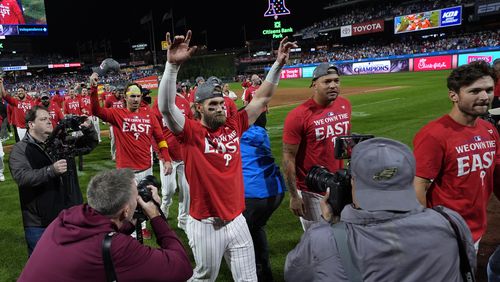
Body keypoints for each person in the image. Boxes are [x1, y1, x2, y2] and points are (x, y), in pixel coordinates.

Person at [158, 30, 296, 281]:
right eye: (213, 105)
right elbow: (166, 108)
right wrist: (171, 66)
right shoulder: (190, 132)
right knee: (204, 278)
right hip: (206, 225)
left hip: (237, 220)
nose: (220, 108)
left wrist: (277, 64)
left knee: (248, 278)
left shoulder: (235, 124)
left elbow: (263, 96)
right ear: (198, 108)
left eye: (221, 104)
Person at [284, 137, 477, 281]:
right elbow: (468, 269)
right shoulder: (450, 222)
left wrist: (328, 223)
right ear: (409, 178)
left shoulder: (324, 240)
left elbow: (295, 275)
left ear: (353, 182)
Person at [18, 168, 193, 282]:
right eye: (135, 197)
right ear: (125, 211)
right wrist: (154, 214)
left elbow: (100, 229)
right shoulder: (118, 248)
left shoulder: (65, 218)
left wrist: (134, 217)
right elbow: (181, 267)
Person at [413, 61, 500, 249]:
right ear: (453, 95)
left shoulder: (490, 130)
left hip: (476, 228)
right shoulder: (433, 135)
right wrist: (425, 231)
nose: (485, 97)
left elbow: (497, 173)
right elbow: (419, 186)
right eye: (475, 91)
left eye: (489, 90)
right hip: (444, 233)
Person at [8, 106, 98, 255]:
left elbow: (89, 144)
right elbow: (22, 177)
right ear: (31, 125)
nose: (49, 122)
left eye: (49, 118)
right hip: (40, 224)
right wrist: (51, 171)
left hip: (70, 216)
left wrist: (88, 128)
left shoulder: (60, 142)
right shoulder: (20, 149)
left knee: (73, 263)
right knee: (42, 269)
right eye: (43, 119)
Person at [90, 79, 173, 239]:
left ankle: (142, 227)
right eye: (132, 96)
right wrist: (94, 89)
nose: (135, 99)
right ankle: (129, 233)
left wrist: (166, 158)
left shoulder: (149, 114)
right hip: (125, 171)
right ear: (125, 98)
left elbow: (160, 138)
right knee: (126, 204)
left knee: (145, 200)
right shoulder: (117, 114)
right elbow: (96, 111)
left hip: (145, 168)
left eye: (138, 96)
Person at [282, 63, 352, 231]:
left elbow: (344, 142)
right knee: (319, 242)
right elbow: (288, 156)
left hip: (338, 182)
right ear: (314, 84)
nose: (333, 85)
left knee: (343, 235)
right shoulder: (298, 115)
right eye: (327, 82)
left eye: (336, 81)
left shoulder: (344, 105)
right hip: (310, 190)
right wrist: (294, 196)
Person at [241, 110, 285, 282]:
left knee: (243, 238)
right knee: (256, 228)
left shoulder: (238, 136)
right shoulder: (261, 133)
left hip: (253, 193)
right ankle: (264, 273)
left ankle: (253, 275)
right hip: (275, 191)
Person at [152, 89, 192, 230]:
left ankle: (183, 219)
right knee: (169, 189)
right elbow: (153, 132)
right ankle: (165, 206)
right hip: (167, 156)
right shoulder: (157, 104)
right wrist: (161, 155)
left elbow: (191, 125)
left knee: (186, 189)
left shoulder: (183, 102)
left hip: (184, 155)